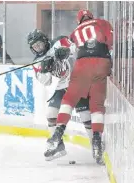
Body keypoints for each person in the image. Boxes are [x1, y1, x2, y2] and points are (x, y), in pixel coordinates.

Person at [46, 10, 113, 165]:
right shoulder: (102, 23)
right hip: (102, 62)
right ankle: (97, 139)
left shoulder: (75, 31)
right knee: (97, 105)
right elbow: (110, 43)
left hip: (83, 64)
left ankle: (59, 130)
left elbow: (71, 49)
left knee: (69, 98)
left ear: (79, 21)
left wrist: (61, 53)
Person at [27, 29, 93, 161]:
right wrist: (45, 69)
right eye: (35, 46)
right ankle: (58, 146)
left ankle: (96, 144)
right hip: (63, 85)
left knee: (85, 114)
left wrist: (67, 51)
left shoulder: (59, 41)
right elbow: (46, 81)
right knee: (51, 114)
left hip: (78, 80)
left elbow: (77, 49)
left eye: (39, 44)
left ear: (45, 41)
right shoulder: (37, 61)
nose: (38, 48)